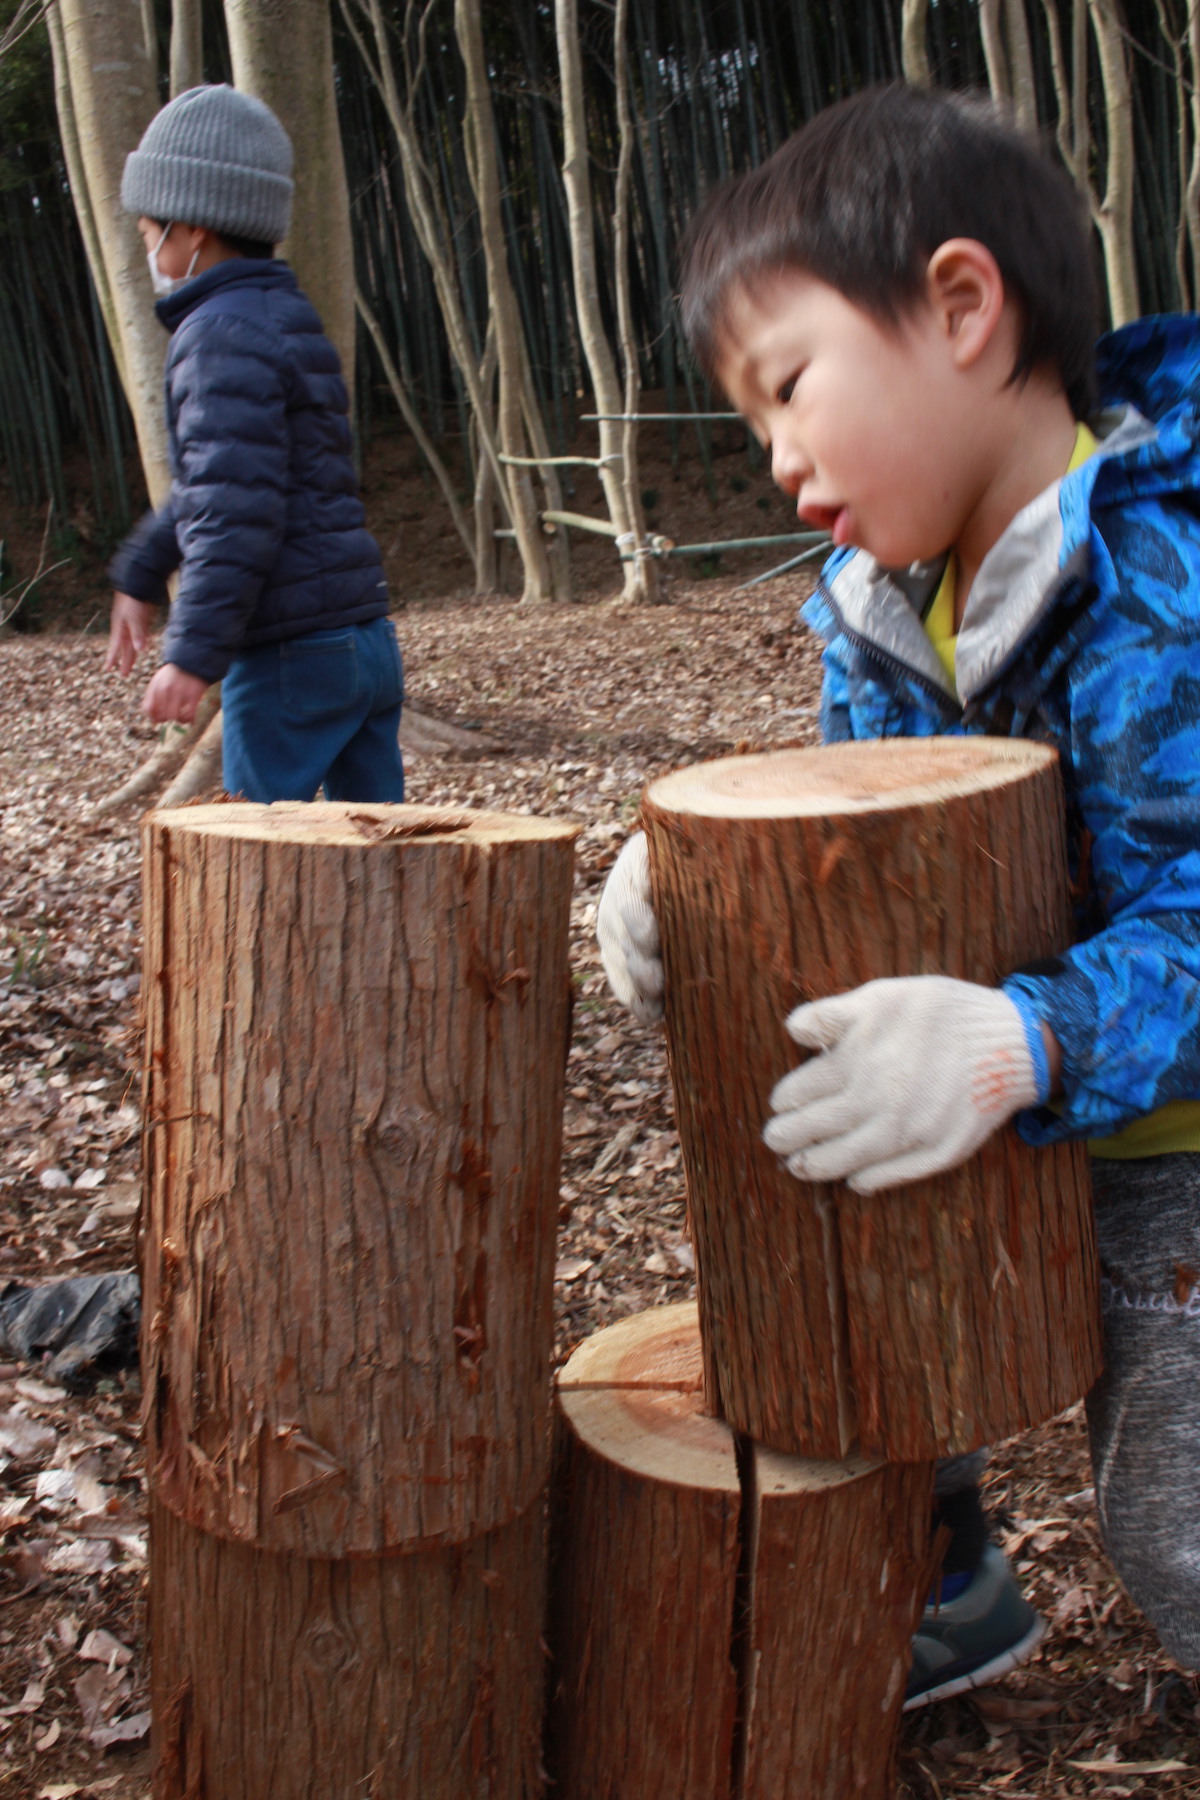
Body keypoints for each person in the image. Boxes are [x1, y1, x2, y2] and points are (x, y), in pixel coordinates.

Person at [598, 82, 1200, 1707]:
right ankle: (945, 1577)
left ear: (959, 307)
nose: (780, 459)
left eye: (791, 388)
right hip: (1021, 1101)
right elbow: (855, 851)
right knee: (820, 1193)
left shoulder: (1157, 573)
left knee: (1173, 1517)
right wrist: (699, 893)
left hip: (1178, 1149)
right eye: (751, 424)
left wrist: (1027, 1042)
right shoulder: (885, 608)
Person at [104, 83, 405, 805]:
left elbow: (236, 514)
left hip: (290, 658)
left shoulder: (214, 336)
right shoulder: (286, 315)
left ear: (193, 231)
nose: (148, 249)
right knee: (389, 867)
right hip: (364, 643)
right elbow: (230, 484)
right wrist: (142, 572)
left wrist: (192, 658)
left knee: (267, 876)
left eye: (150, 234)